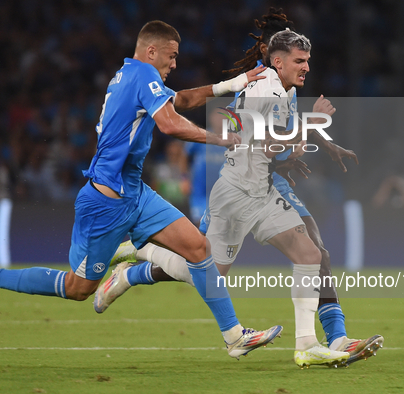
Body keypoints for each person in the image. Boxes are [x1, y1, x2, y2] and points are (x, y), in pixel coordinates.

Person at [0, 20, 283, 360]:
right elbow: (170, 123)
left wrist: (235, 83)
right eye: (171, 57)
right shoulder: (143, 76)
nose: (175, 64)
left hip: (135, 194)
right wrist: (219, 139)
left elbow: (181, 100)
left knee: (199, 248)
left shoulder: (132, 76)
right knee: (78, 288)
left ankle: (234, 336)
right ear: (151, 51)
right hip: (106, 203)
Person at [102, 9, 383, 368]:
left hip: (261, 189)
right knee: (206, 273)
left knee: (311, 254)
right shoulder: (264, 90)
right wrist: (310, 129)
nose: (307, 68)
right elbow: (266, 143)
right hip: (236, 194)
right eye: (301, 61)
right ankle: (140, 258)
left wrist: (311, 141)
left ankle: (309, 345)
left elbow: (276, 142)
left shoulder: (283, 88)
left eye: (308, 60)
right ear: (278, 61)